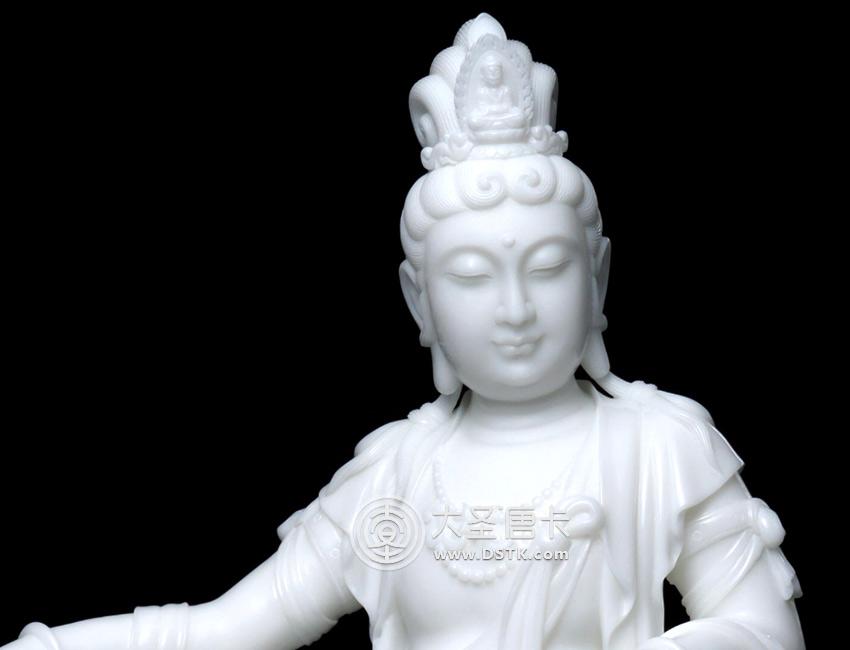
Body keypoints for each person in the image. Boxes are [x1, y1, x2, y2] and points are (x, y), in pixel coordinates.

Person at [3, 13, 804, 650]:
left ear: (598, 276)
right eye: (472, 276)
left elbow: (767, 632)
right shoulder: (394, 480)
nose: (515, 309)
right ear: (419, 301)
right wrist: (56, 645)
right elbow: (229, 630)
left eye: (549, 268)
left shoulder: (662, 448)